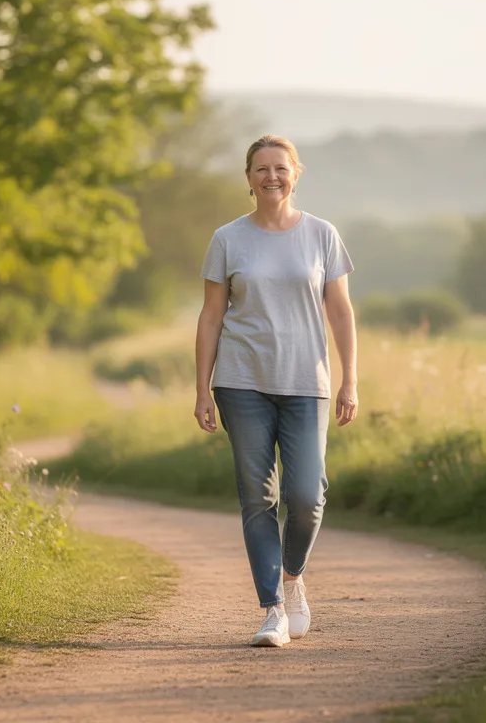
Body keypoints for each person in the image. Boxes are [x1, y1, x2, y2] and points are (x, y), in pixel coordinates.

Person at [194, 134, 359, 648]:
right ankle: (271, 611)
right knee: (257, 499)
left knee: (308, 496)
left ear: (295, 173)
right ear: (247, 178)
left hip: (306, 383)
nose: (271, 177)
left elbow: (340, 312)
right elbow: (211, 316)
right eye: (261, 169)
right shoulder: (228, 239)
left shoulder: (322, 235)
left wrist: (350, 378)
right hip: (241, 381)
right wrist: (202, 387)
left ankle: (292, 579)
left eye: (280, 168)